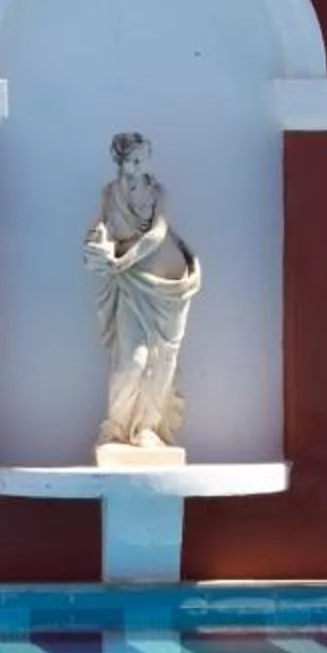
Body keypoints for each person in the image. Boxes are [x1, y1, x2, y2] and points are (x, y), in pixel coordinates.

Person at [83, 131, 201, 451]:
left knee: (162, 359)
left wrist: (121, 260)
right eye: (127, 162)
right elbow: (100, 229)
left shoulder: (158, 193)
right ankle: (117, 426)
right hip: (131, 284)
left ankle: (147, 428)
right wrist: (97, 246)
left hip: (170, 288)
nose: (133, 168)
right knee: (130, 360)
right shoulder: (110, 194)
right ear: (118, 162)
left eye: (138, 161)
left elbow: (157, 234)